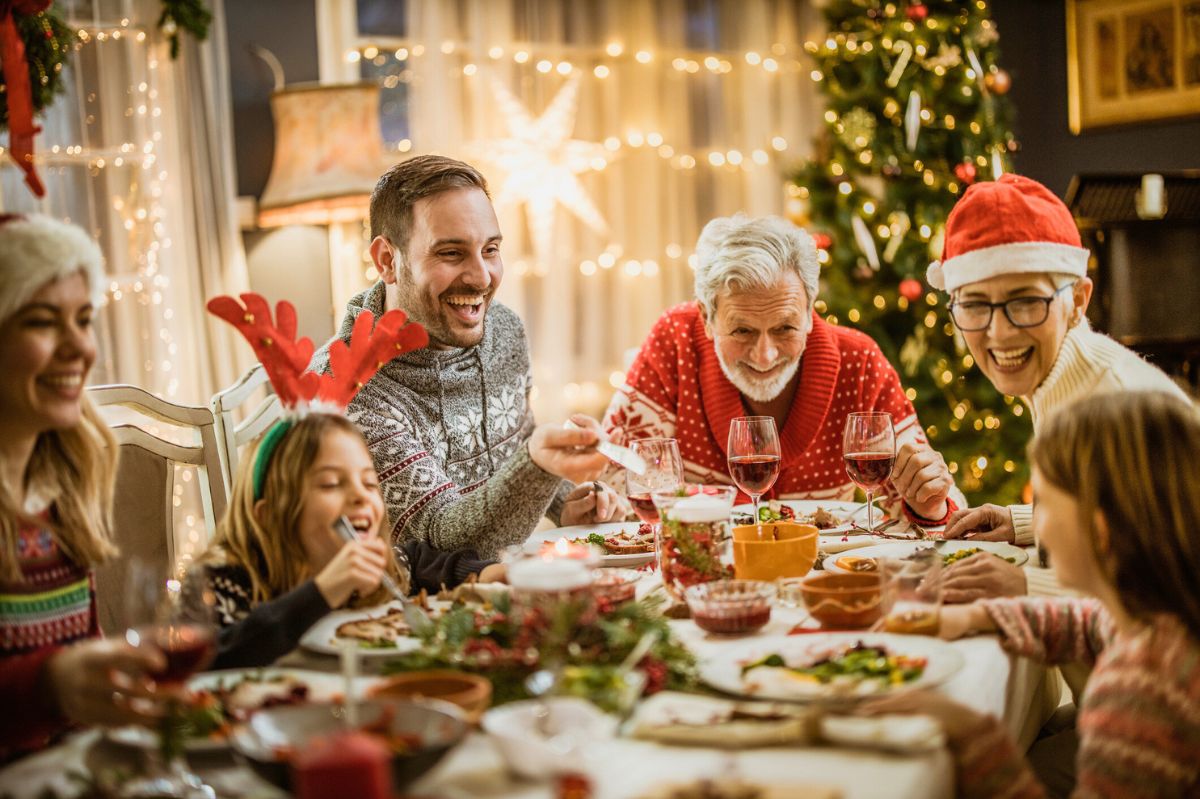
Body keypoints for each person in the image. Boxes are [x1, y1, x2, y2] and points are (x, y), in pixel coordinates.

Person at [860, 391, 1200, 797]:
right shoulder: (1161, 622)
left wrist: (974, 733)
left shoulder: (1136, 696)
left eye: (1043, 504)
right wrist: (975, 617)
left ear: (1100, 532)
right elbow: (1088, 622)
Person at [313, 155, 623, 558]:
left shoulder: (504, 330)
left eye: (490, 249)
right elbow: (442, 545)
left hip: (504, 581)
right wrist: (538, 467)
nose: (481, 278)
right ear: (387, 261)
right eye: (451, 254)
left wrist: (566, 499)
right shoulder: (349, 389)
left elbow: (514, 442)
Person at [603, 213, 963, 524]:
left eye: (784, 328)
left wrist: (930, 506)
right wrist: (597, 502)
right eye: (742, 330)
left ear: (809, 314)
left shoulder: (859, 362)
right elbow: (616, 486)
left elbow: (931, 504)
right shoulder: (675, 341)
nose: (764, 355)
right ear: (707, 318)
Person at [926, 174, 1188, 600]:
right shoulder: (1060, 377)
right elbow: (1118, 527)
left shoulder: (1115, 405)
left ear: (1078, 301)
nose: (1000, 332)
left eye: (1026, 301)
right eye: (974, 304)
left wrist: (1026, 583)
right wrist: (1026, 522)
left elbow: (1168, 592)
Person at [0, 215, 167, 761]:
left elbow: (82, 674)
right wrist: (49, 685)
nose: (81, 348)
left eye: (84, 319)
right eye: (44, 323)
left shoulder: (61, 486)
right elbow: (56, 683)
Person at [191, 413, 504, 670]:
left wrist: (488, 574)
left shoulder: (380, 570)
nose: (360, 496)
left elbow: (421, 562)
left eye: (369, 482)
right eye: (330, 483)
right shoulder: (221, 583)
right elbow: (207, 659)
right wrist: (324, 591)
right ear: (270, 514)